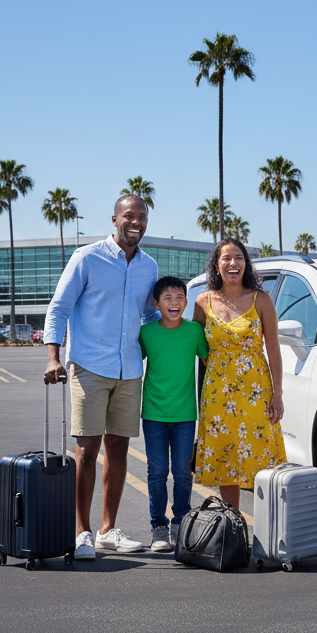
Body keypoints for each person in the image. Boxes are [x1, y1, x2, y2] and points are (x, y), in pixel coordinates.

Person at [43, 195, 159, 560]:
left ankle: (108, 530)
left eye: (141, 217)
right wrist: (52, 357)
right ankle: (83, 533)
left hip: (129, 369)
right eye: (129, 216)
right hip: (89, 367)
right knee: (87, 448)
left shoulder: (149, 267)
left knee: (119, 448)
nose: (135, 222)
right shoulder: (87, 258)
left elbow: (149, 317)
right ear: (114, 220)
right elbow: (59, 307)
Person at [192, 238, 286, 507]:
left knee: (261, 458)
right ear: (216, 264)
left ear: (246, 264)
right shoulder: (203, 302)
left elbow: (275, 351)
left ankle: (269, 530)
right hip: (218, 395)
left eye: (239, 258)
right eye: (226, 258)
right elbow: (193, 347)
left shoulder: (262, 300)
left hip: (256, 393)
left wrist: (277, 394)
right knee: (225, 459)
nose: (233, 263)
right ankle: (233, 523)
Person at [138, 275, 208, 552]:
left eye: (179, 297)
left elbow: (208, 361)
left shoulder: (193, 332)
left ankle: (181, 522)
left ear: (186, 302)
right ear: (156, 304)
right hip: (154, 414)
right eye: (167, 298)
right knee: (156, 473)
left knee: (182, 473)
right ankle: (158, 528)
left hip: (185, 416)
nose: (174, 302)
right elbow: (131, 365)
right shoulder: (147, 333)